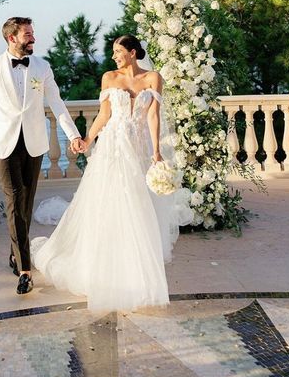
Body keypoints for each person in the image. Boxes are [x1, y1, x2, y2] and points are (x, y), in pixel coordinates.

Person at [31, 35, 181, 311]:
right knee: (110, 203)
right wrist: (88, 140)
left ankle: (134, 265)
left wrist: (157, 151)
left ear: (133, 53)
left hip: (139, 148)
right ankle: (104, 266)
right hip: (113, 147)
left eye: (118, 51)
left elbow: (153, 115)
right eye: (113, 52)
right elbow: (104, 115)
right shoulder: (109, 78)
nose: (114, 56)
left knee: (139, 205)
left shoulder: (153, 78)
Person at [0, 17, 84, 295]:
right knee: (14, 200)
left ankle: (15, 252)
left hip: (34, 143)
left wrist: (73, 134)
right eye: (28, 34)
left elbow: (57, 103)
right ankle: (25, 270)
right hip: (4, 145)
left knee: (26, 203)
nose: (33, 38)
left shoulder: (42, 67)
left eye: (32, 33)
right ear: (12, 38)